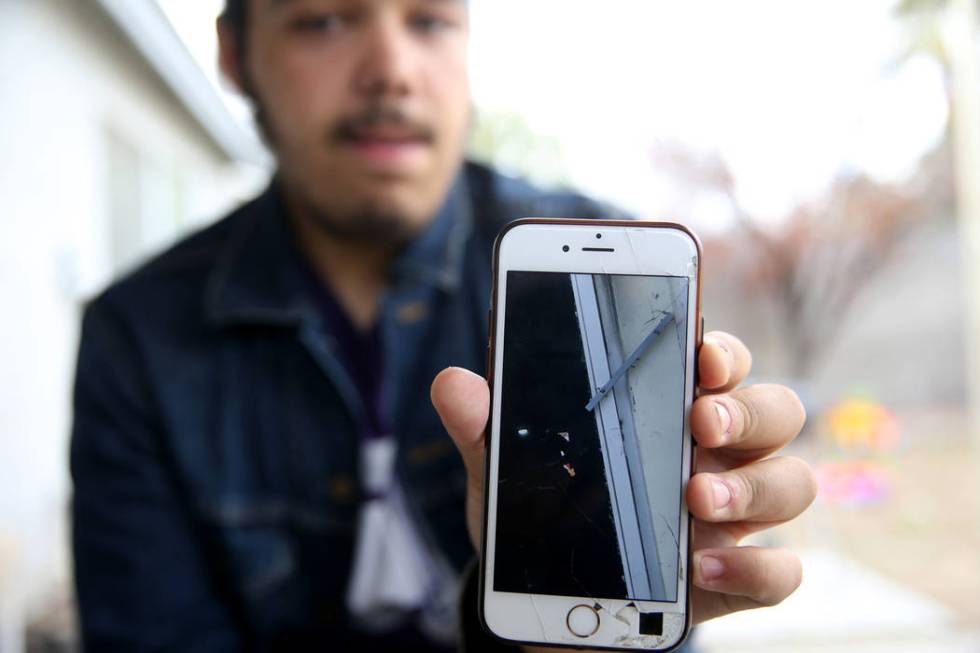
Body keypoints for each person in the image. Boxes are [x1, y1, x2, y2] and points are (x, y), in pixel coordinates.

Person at [69, 0, 816, 650]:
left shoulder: (600, 269)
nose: (392, 70)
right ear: (235, 53)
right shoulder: (139, 335)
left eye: (430, 20)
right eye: (323, 20)